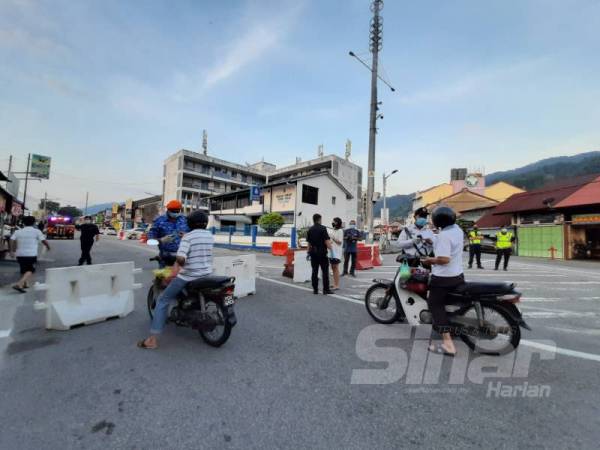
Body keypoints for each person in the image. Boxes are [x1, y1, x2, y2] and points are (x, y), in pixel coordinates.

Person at [138, 211, 214, 349]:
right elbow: (150, 239)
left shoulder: (188, 236)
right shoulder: (209, 235)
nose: (176, 213)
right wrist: (165, 240)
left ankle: (152, 340)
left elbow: (181, 259)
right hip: (204, 273)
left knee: (163, 299)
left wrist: (174, 271)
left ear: (189, 222)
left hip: (186, 272)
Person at [421, 206, 464, 357]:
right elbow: (446, 243)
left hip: (443, 278)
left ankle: (448, 345)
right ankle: (451, 327)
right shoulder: (457, 230)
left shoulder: (444, 236)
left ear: (438, 221)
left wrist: (429, 260)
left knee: (434, 304)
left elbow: (444, 259)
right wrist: (433, 239)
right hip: (458, 275)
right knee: (447, 303)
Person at [10, 216, 50, 293]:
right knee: (31, 270)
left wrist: (11, 251)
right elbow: (43, 241)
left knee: (23, 270)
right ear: (34, 223)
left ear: (23, 223)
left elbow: (11, 240)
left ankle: (24, 284)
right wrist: (48, 247)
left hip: (20, 254)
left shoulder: (18, 232)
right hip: (31, 254)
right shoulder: (37, 231)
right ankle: (19, 284)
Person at [147, 200, 190, 267]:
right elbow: (149, 242)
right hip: (165, 259)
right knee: (164, 277)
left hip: (181, 258)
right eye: (173, 211)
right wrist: (161, 240)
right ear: (168, 210)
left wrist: (186, 236)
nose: (175, 213)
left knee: (180, 277)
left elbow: (192, 236)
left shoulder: (185, 220)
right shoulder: (159, 221)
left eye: (177, 211)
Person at [306, 213, 333, 295]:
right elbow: (327, 241)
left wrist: (308, 253)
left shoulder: (310, 229)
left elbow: (309, 243)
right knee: (325, 271)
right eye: (321, 219)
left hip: (313, 253)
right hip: (322, 252)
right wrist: (331, 249)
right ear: (319, 219)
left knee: (314, 271)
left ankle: (315, 289)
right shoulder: (323, 228)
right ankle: (326, 289)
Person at [328, 217, 343, 290]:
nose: (332, 223)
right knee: (333, 268)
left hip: (336, 253)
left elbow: (339, 242)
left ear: (337, 223)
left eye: (333, 222)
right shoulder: (334, 230)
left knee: (335, 268)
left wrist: (333, 238)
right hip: (332, 252)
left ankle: (337, 285)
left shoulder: (340, 231)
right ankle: (334, 283)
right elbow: (332, 240)